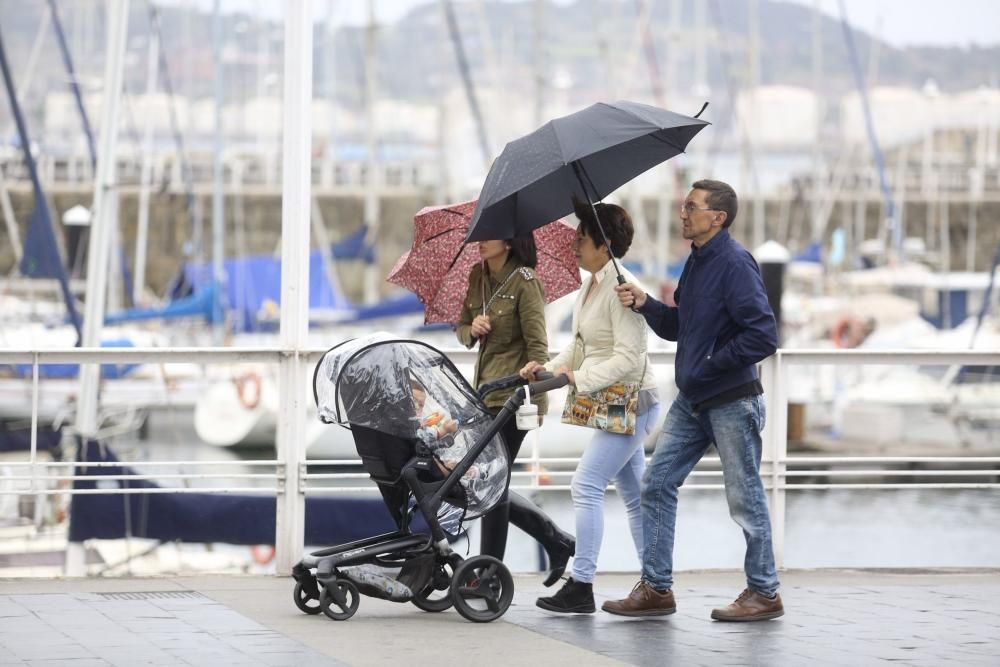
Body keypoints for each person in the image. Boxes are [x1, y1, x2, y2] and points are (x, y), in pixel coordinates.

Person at [604, 179, 783, 622]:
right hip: (694, 399)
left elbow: (763, 335)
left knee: (744, 498)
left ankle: (765, 592)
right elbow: (679, 326)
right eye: (684, 207)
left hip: (730, 399)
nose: (682, 213)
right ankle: (656, 589)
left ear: (717, 218)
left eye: (692, 207)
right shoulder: (697, 262)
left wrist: (708, 365)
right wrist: (645, 303)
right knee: (657, 483)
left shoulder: (736, 263)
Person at [520, 198, 660, 614]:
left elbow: (629, 357)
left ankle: (581, 586)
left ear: (605, 244)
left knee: (585, 485)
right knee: (635, 498)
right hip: (615, 402)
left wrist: (574, 378)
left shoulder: (622, 289)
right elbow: (581, 347)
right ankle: (655, 585)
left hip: (632, 402)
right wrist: (547, 368)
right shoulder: (592, 284)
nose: (574, 245)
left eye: (581, 238)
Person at [456, 234, 575, 587]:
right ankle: (557, 541)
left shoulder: (526, 282)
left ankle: (489, 574)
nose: (480, 241)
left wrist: (534, 385)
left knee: (492, 481)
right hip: (484, 394)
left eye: (489, 236)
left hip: (516, 396)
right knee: (490, 480)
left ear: (508, 242)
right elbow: (461, 329)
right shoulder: (478, 278)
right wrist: (471, 329)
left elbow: (538, 346)